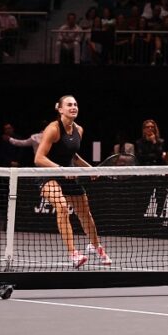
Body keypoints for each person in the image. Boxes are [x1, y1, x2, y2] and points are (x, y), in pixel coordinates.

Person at [34, 95, 111, 268]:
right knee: (62, 207)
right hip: (49, 175)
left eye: (75, 104)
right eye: (69, 105)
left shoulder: (79, 130)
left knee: (85, 213)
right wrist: (61, 169)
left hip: (69, 174)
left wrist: (89, 168)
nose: (73, 107)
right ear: (60, 109)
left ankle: (95, 246)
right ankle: (73, 253)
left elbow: (72, 155)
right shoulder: (53, 129)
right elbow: (39, 158)